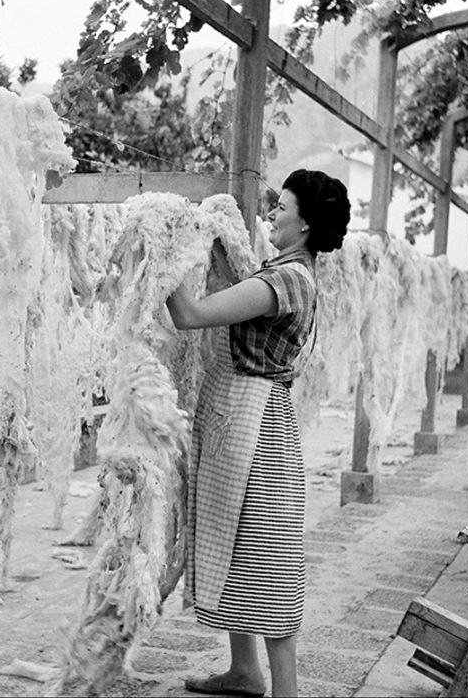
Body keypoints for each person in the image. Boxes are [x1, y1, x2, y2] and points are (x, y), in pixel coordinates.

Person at [166, 169, 350, 698]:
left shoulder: (289, 280)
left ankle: (286, 691)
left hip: (259, 430)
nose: (271, 213)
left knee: (267, 561)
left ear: (306, 225)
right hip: (245, 416)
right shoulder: (283, 268)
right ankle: (245, 672)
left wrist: (161, 238)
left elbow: (190, 314)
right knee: (238, 546)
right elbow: (235, 287)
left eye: (282, 208)